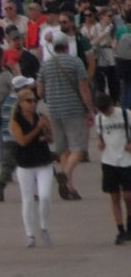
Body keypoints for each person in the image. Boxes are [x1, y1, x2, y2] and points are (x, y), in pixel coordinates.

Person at [39, 35, 94, 202]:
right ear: (67, 47)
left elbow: (40, 92)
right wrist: (90, 109)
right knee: (78, 148)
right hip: (74, 109)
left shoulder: (46, 65)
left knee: (63, 149)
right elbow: (83, 88)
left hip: (54, 110)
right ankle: (64, 173)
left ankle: (69, 187)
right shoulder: (75, 62)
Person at [10, 80, 57, 247]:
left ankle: (44, 227)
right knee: (27, 199)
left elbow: (51, 139)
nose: (32, 104)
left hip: (43, 161)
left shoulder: (41, 117)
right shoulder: (15, 121)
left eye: (33, 101)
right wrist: (38, 129)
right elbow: (22, 141)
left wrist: (47, 130)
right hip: (25, 163)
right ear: (21, 104)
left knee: (44, 196)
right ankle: (29, 234)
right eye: (28, 101)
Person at [95, 87, 131, 243]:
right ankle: (120, 229)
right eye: (102, 110)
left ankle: (130, 223)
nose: (106, 113)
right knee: (114, 197)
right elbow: (100, 136)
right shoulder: (99, 118)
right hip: (109, 161)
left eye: (107, 109)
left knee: (128, 196)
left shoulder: (125, 114)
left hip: (126, 160)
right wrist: (100, 143)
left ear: (112, 105)